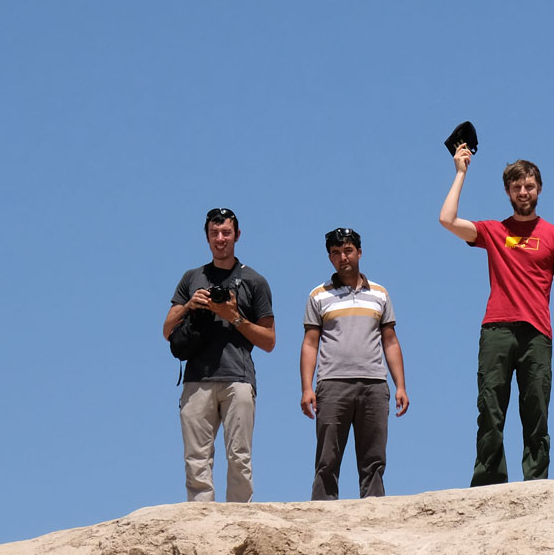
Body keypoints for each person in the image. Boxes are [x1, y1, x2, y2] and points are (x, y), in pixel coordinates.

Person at [439, 144, 554, 485]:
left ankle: (536, 483)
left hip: (537, 333)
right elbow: (447, 219)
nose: (523, 192)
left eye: (529, 186)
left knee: (536, 412)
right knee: (489, 407)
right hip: (496, 328)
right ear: (508, 192)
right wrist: (460, 172)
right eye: (516, 187)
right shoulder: (493, 231)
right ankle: (488, 481)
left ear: (539, 189)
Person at [163, 207, 276, 501]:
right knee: (195, 459)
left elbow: (269, 341)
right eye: (214, 233)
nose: (220, 239)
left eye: (226, 232)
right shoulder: (192, 278)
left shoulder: (254, 281)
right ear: (207, 238)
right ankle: (202, 520)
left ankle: (239, 518)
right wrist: (190, 305)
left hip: (237, 378)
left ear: (237, 235)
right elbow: (166, 330)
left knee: (239, 457)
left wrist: (233, 316)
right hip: (197, 379)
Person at [300, 228, 408, 499]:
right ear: (330, 258)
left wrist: (400, 386)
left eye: (347, 251)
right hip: (332, 383)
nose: (342, 257)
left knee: (374, 459)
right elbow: (310, 343)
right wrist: (307, 388)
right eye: (335, 253)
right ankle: (323, 513)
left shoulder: (380, 294)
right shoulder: (318, 295)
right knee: (327, 459)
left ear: (359, 252)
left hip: (373, 383)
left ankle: (373, 513)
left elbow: (390, 341)